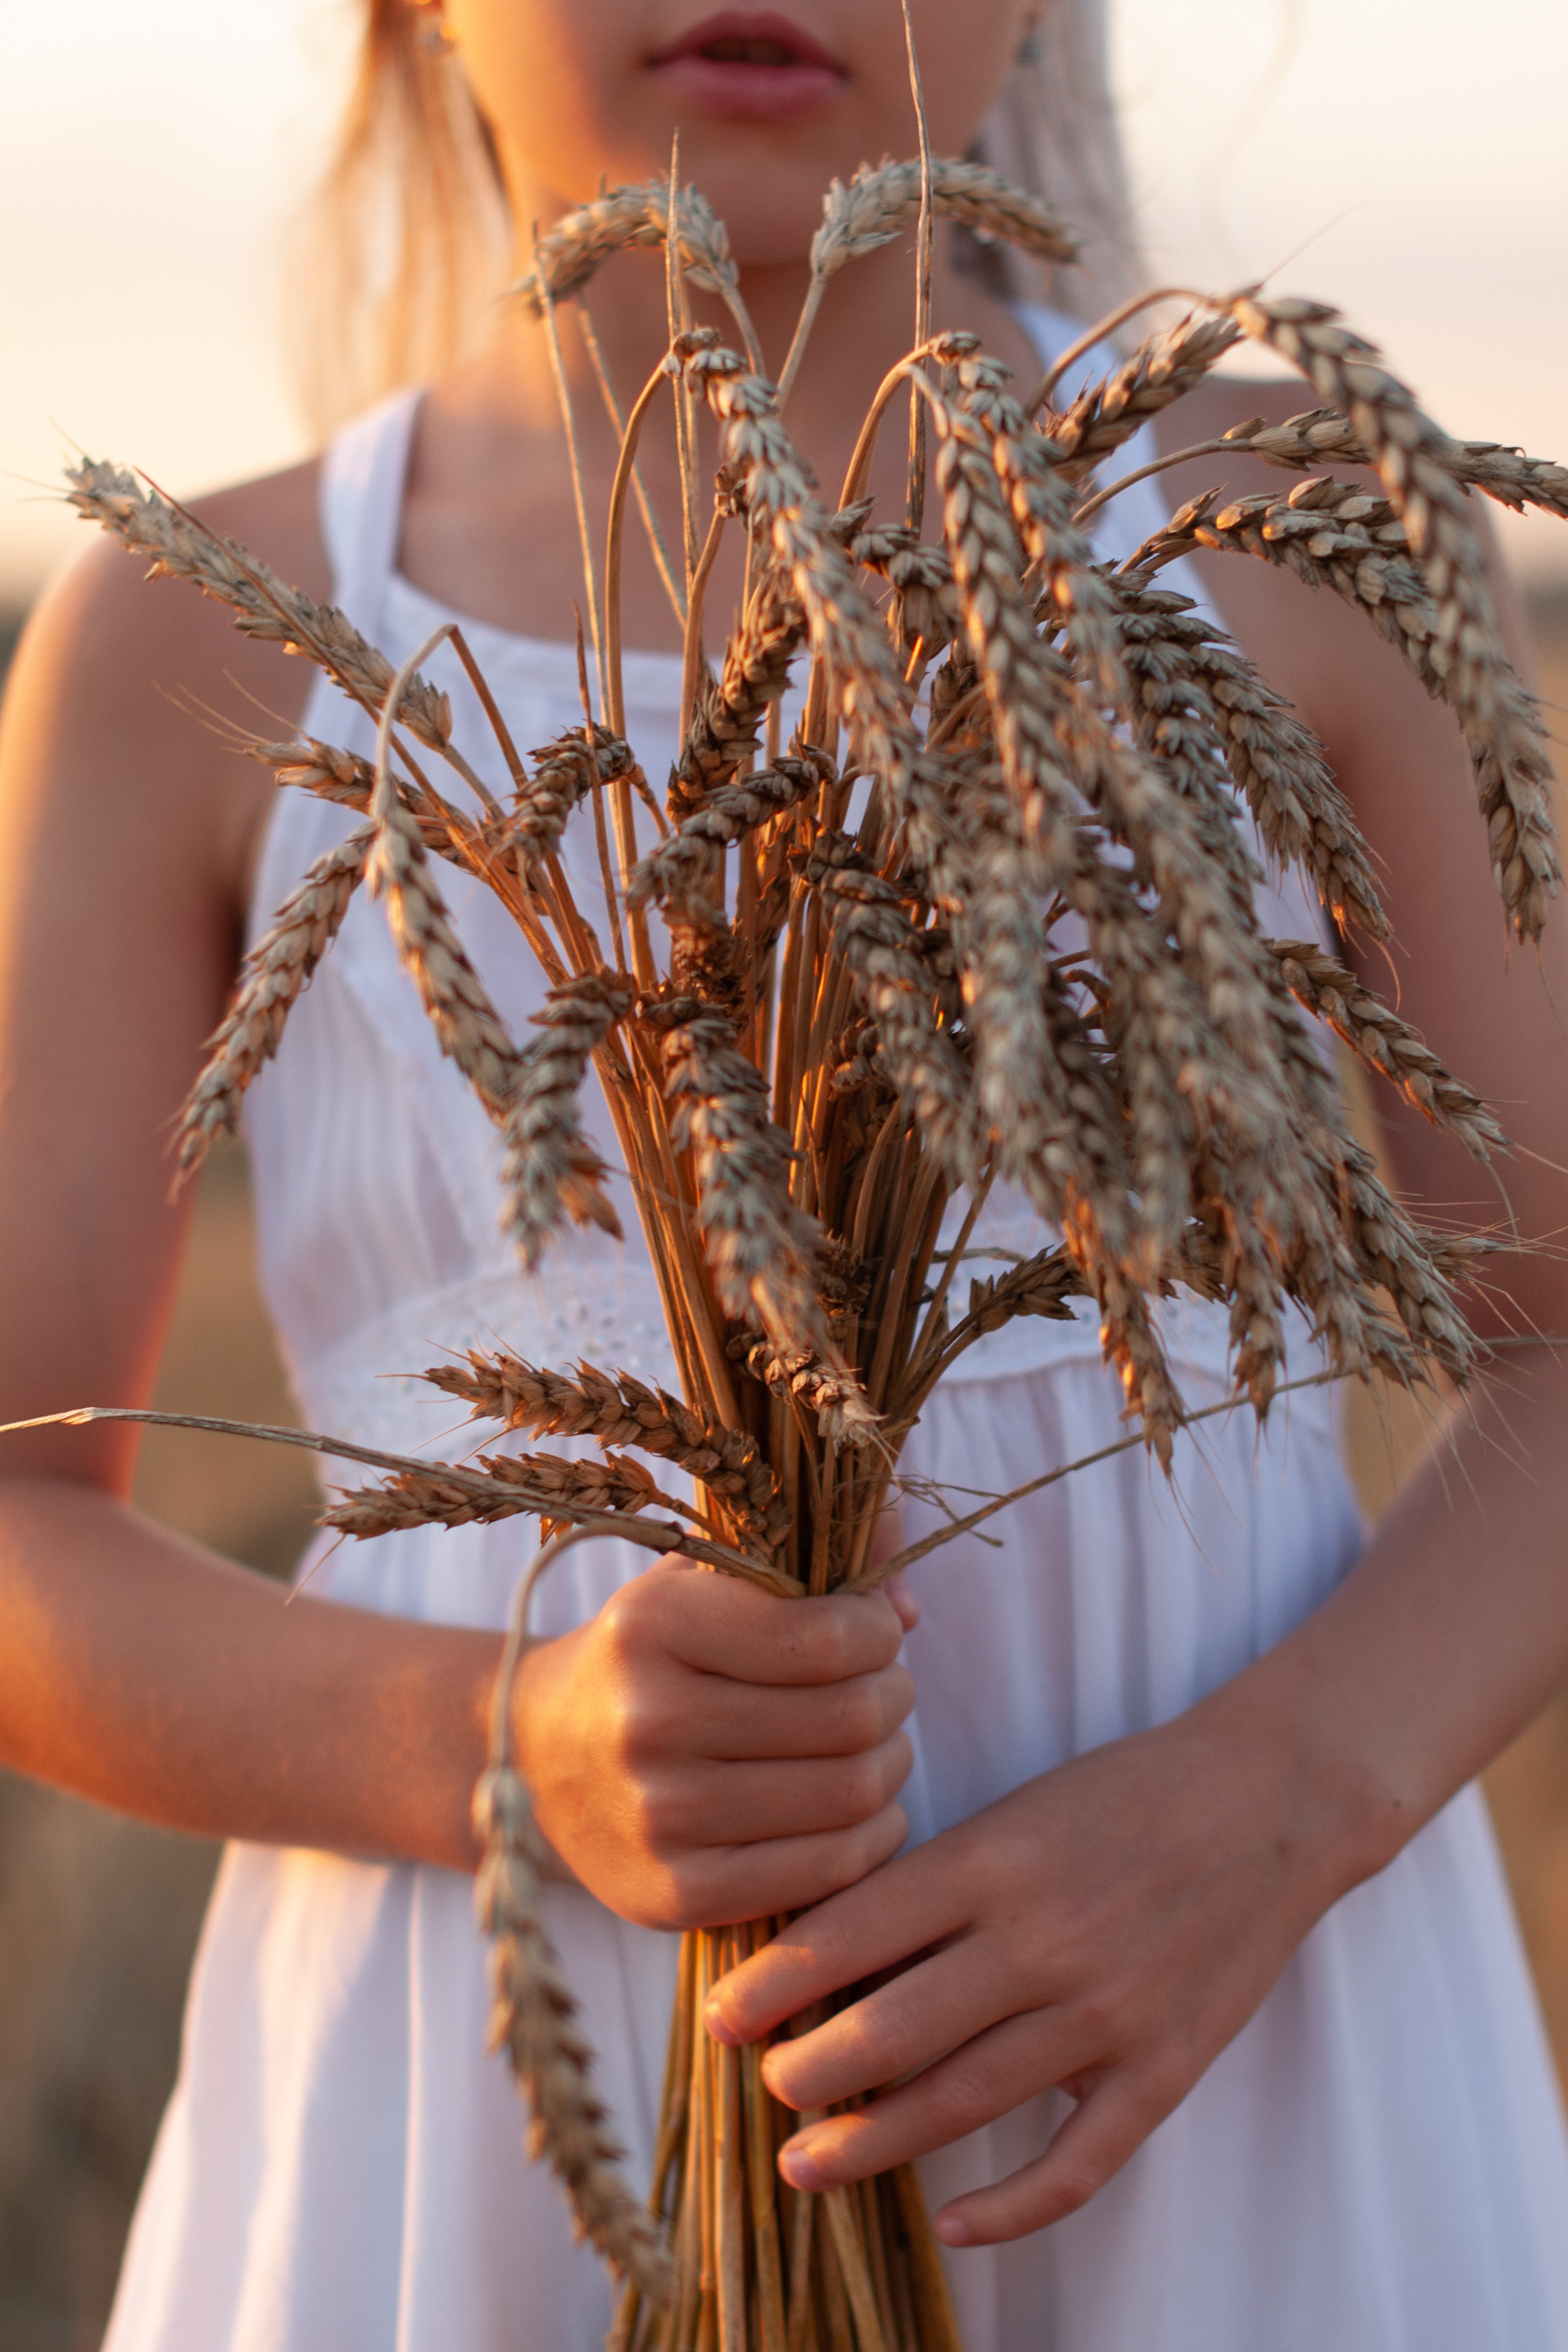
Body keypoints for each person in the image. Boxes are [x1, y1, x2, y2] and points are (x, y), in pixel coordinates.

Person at [2, 1, 1567, 2345]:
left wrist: (1281, 1798)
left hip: (1229, 2032)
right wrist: (503, 1748)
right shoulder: (194, 644)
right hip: (497, 2107)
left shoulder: (1293, 529)